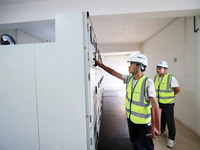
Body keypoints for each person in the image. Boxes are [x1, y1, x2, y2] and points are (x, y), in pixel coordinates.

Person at [94, 53, 161, 150]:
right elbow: (113, 72)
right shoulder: (129, 79)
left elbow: (154, 102)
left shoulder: (147, 82)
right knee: (135, 142)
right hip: (131, 119)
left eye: (131, 64)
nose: (129, 67)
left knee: (147, 146)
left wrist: (156, 125)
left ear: (138, 67)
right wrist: (100, 65)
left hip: (143, 123)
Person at [154, 61, 180, 148]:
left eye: (160, 68)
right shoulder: (156, 77)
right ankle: (162, 131)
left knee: (170, 121)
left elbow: (177, 89)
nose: (158, 70)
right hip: (159, 102)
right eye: (157, 68)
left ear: (165, 69)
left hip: (168, 104)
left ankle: (171, 139)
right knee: (161, 118)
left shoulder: (171, 78)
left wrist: (170, 97)